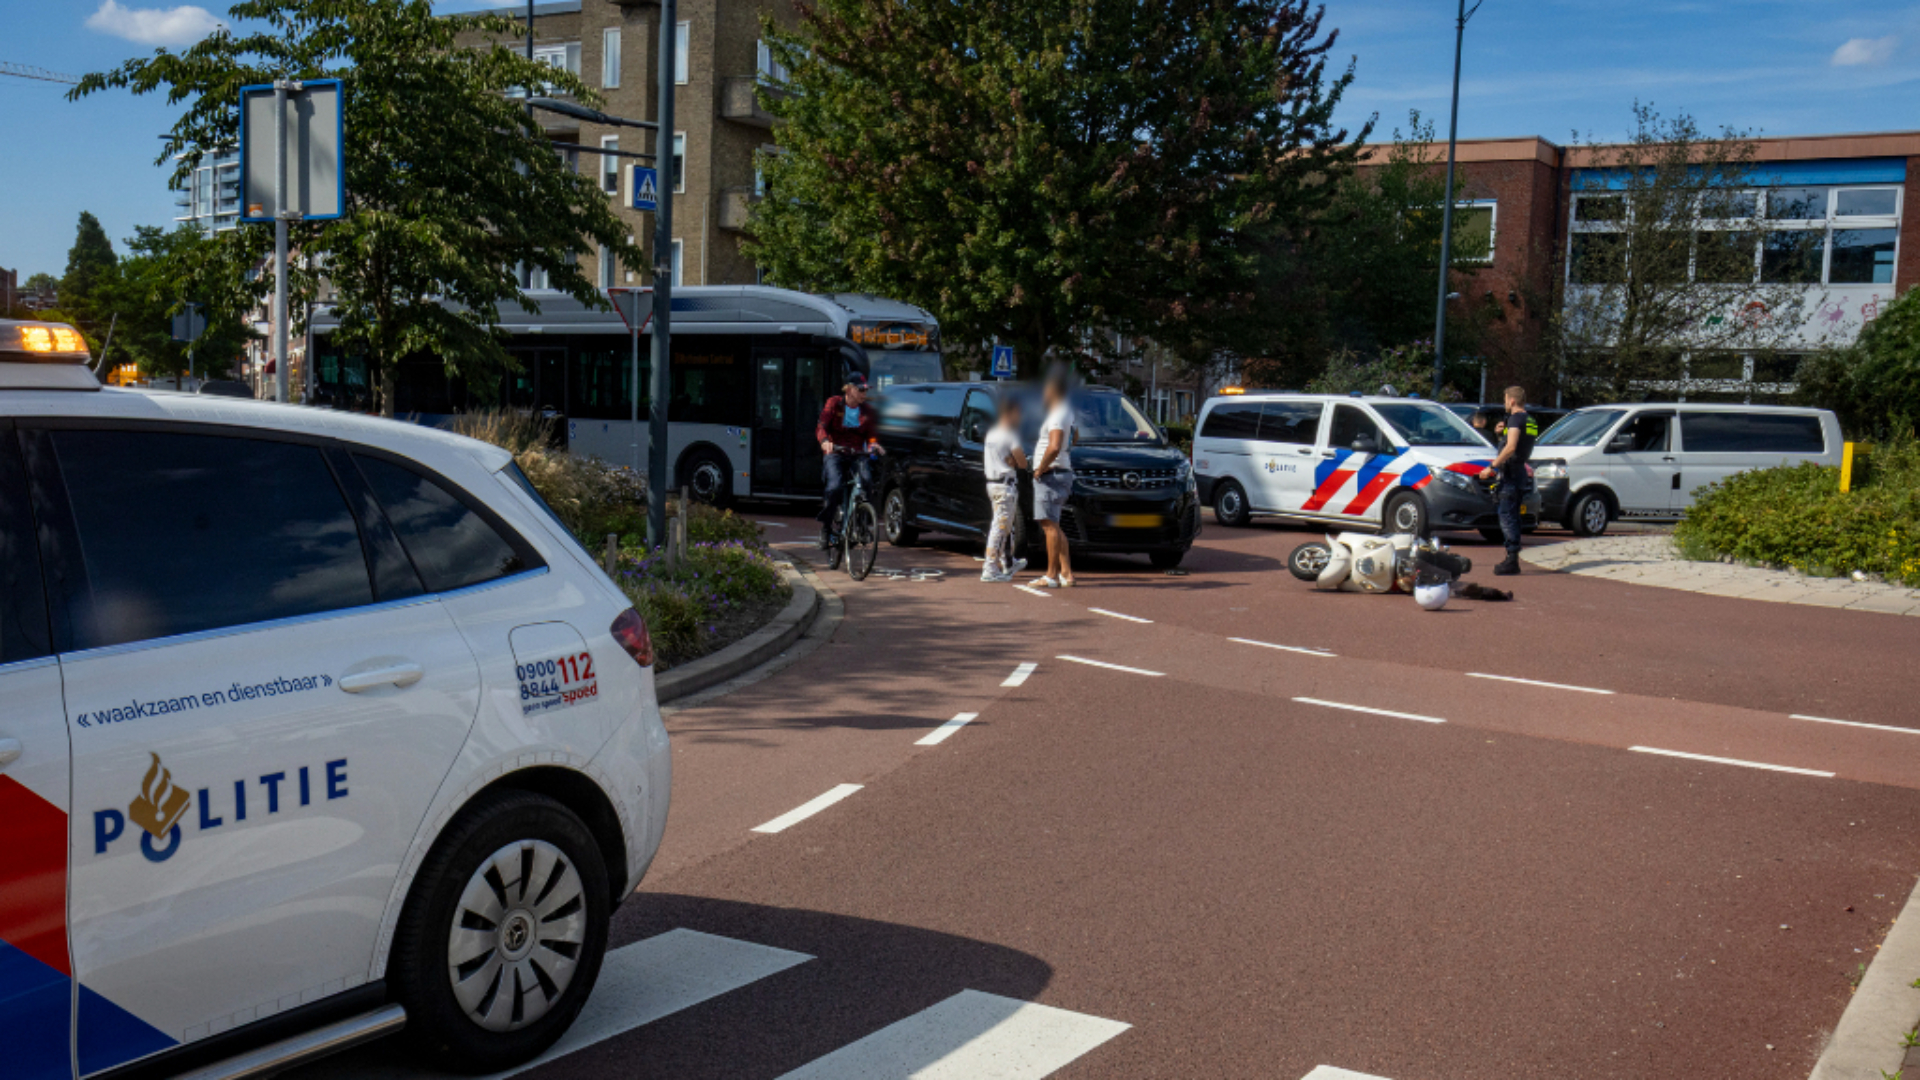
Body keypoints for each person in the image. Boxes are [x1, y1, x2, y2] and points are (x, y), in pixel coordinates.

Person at [815, 372, 884, 547]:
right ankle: (826, 527)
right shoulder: (834, 403)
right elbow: (821, 425)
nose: (864, 393)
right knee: (835, 487)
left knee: (867, 481)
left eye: (866, 390)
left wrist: (874, 445)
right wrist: (824, 442)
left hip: (856, 454)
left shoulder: (867, 411)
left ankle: (862, 525)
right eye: (861, 390)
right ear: (850, 389)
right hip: (835, 452)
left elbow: (872, 436)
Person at [1477, 385, 1538, 576]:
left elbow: (1511, 447)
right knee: (1513, 516)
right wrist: (1499, 434)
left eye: (1505, 399)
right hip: (1520, 472)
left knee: (1507, 516)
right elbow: (1520, 446)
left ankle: (1512, 560)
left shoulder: (1515, 418)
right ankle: (1512, 557)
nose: (1504, 403)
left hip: (1510, 474)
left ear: (1512, 401)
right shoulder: (1530, 420)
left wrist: (1492, 467)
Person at [1031, 371, 1076, 587]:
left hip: (1051, 474)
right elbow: (1075, 437)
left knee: (1049, 525)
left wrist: (1040, 469)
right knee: (1054, 525)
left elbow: (1055, 445)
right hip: (1061, 471)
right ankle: (1066, 573)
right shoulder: (1067, 413)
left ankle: (1050, 576)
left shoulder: (1057, 413)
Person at [981, 395, 1030, 583]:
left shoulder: (992, 433)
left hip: (992, 484)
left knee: (1005, 526)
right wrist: (1016, 461)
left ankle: (1008, 562)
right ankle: (990, 568)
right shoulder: (1010, 434)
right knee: (1000, 528)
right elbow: (1023, 462)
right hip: (1005, 486)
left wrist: (1012, 460)